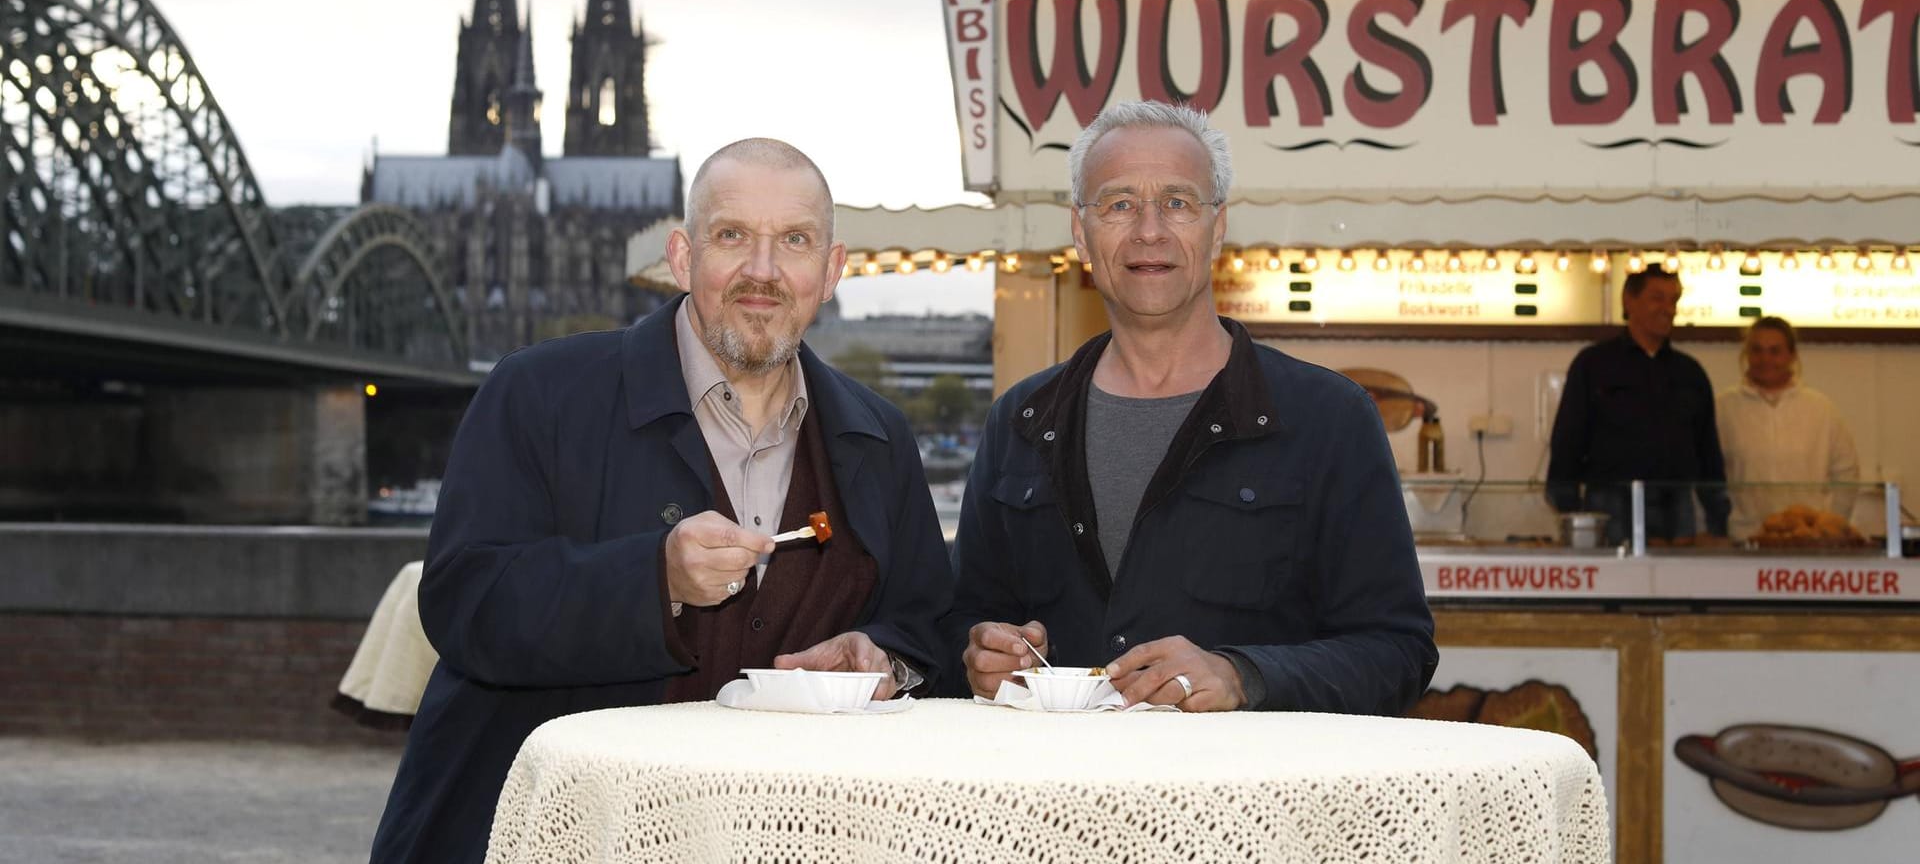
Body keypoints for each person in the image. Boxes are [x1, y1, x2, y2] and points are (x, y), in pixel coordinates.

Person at [370, 139, 951, 864]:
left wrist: (887, 660)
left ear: (831, 272)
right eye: (732, 235)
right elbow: (465, 601)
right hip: (552, 839)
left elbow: (929, 624)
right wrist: (656, 580)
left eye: (794, 241)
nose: (762, 271)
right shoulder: (538, 393)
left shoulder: (879, 438)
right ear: (681, 257)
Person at [943, 100, 1436, 715]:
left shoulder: (1330, 419)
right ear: (1080, 231)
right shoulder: (1021, 420)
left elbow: (1399, 652)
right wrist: (980, 652)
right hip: (1059, 797)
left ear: (1218, 226)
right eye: (1119, 204)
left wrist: (1242, 675)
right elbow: (962, 621)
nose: (1150, 230)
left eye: (1178, 202)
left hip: (1253, 802)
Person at [1547, 265, 1729, 543]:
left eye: (1674, 300)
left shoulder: (1690, 372)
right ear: (1628, 301)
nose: (1668, 308)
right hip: (1609, 505)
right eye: (1657, 297)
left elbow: (1708, 453)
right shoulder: (1593, 364)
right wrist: (1571, 511)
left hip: (1676, 509)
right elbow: (1568, 441)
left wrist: (1717, 522)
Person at [1717, 316, 1862, 540]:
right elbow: (1708, 474)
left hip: (1808, 541)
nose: (1765, 359)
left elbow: (1846, 473)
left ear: (1792, 356)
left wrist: (1827, 526)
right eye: (1757, 350)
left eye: (1775, 351)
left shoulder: (1820, 409)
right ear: (1746, 355)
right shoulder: (1723, 408)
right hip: (1745, 538)